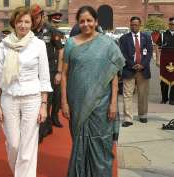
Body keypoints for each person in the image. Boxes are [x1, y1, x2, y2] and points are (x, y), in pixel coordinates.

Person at [61, 6, 125, 177]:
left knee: (101, 143)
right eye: (82, 21)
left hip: (102, 104)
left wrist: (113, 104)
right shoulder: (70, 43)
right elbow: (64, 75)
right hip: (77, 103)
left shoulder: (107, 44)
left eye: (89, 20)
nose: (86, 24)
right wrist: (64, 102)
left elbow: (114, 76)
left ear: (96, 22)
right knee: (79, 142)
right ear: (78, 23)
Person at [0, 6, 52, 177]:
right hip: (8, 98)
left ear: (32, 23)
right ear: (14, 23)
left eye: (27, 22)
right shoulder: (4, 45)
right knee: (14, 144)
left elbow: (45, 77)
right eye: (20, 21)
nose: (23, 25)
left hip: (32, 99)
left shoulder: (39, 45)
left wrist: (43, 105)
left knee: (27, 147)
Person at [31, 4, 64, 143]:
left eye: (36, 17)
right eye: (32, 18)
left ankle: (41, 131)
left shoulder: (51, 30)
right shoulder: (29, 31)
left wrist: (59, 72)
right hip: (33, 71)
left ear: (42, 16)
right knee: (34, 101)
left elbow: (61, 50)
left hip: (49, 70)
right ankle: (47, 126)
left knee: (46, 101)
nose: (34, 20)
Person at [119, 16, 153, 127]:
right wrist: (133, 65)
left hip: (143, 70)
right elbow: (122, 54)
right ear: (130, 25)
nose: (134, 26)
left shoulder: (147, 37)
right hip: (129, 70)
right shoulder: (124, 38)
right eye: (132, 24)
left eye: (136, 24)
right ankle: (128, 118)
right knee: (127, 95)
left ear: (140, 25)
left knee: (143, 94)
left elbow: (149, 53)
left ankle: (143, 115)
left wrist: (142, 65)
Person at [159, 17, 174, 104]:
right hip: (164, 60)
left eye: (173, 24)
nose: (172, 26)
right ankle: (164, 98)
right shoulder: (163, 34)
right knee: (163, 80)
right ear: (168, 25)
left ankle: (172, 99)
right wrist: (157, 59)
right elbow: (157, 46)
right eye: (171, 24)